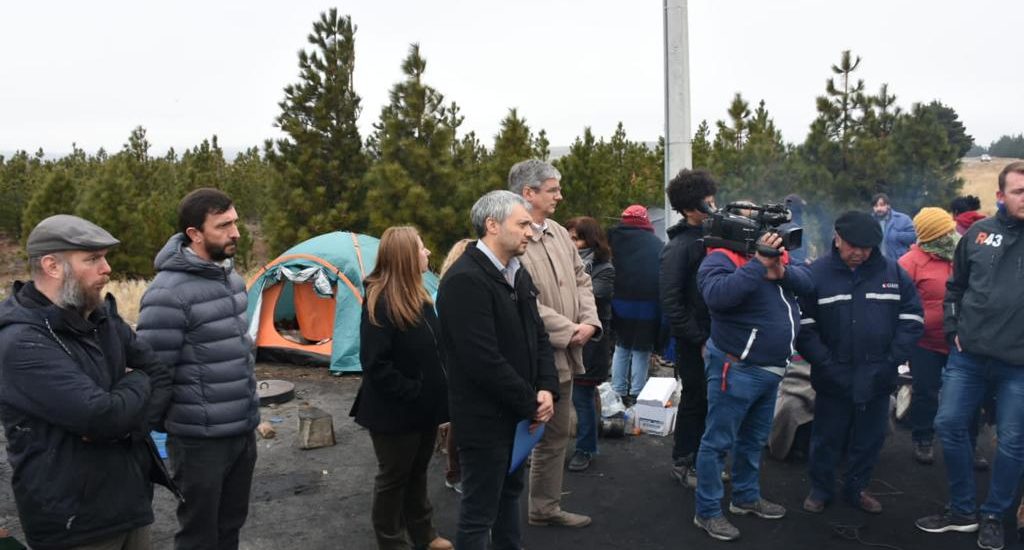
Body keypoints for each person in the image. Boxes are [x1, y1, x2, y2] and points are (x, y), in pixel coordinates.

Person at [0, 215, 176, 550]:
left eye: (105, 257)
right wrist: (136, 383)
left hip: (132, 504)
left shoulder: (99, 316)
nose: (107, 268)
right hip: (73, 524)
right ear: (52, 265)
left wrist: (128, 425)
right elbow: (100, 416)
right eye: (93, 259)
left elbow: (159, 373)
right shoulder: (21, 341)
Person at [136, 188, 260, 550]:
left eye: (235, 221)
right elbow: (154, 371)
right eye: (224, 225)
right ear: (195, 234)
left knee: (230, 525)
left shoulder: (231, 280)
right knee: (199, 534)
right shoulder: (167, 293)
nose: (236, 232)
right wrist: (178, 427)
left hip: (242, 429)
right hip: (199, 441)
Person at [436, 190, 559, 550]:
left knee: (509, 498)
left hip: (518, 417)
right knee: (479, 513)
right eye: (522, 224)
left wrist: (547, 388)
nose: (530, 232)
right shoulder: (464, 281)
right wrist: (532, 402)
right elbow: (482, 361)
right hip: (485, 421)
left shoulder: (516, 274)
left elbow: (538, 336)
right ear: (492, 225)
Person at [916, 161, 1024, 550]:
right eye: (1019, 191)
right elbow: (955, 289)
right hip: (969, 356)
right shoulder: (978, 234)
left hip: (1019, 365)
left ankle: (995, 513)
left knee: (1012, 441)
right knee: (948, 425)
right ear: (1000, 196)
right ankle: (962, 509)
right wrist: (951, 328)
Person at [797, 211, 924, 515]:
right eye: (853, 246)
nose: (859, 254)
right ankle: (821, 489)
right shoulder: (816, 274)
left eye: (866, 248)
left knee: (869, 439)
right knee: (827, 437)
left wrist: (891, 359)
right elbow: (804, 325)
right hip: (832, 374)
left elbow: (913, 318)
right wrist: (825, 362)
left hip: (879, 374)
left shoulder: (893, 273)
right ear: (837, 238)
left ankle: (857, 488)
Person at [693, 231, 813, 541]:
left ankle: (745, 497)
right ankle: (706, 512)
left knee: (753, 439)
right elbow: (717, 296)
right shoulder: (720, 256)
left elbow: (809, 283)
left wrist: (781, 270)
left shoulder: (779, 258)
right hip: (737, 367)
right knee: (718, 441)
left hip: (771, 369)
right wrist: (758, 264)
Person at [508, 159, 601, 528]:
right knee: (517, 438)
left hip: (564, 357)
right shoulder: (514, 237)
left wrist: (590, 322)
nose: (560, 196)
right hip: (531, 360)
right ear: (528, 193)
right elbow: (521, 300)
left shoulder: (561, 234)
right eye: (552, 190)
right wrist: (568, 329)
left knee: (557, 433)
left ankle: (543, 508)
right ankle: (496, 519)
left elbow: (582, 279)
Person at [349, 226, 452, 550]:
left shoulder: (420, 296)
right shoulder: (379, 300)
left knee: (417, 473)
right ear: (406, 257)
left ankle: (424, 535)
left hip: (424, 409)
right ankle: (392, 542)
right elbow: (375, 364)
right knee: (394, 478)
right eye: (422, 249)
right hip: (393, 413)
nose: (428, 254)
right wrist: (413, 391)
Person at [898, 208, 985, 467]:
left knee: (970, 395)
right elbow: (901, 305)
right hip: (925, 343)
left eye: (951, 230)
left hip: (962, 342)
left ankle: (970, 444)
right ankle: (923, 438)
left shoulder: (962, 255)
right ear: (930, 237)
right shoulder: (908, 263)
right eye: (944, 233)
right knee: (926, 391)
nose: (951, 236)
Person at [660, 169, 717, 488]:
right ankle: (684, 461)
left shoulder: (711, 236)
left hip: (714, 336)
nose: (712, 206)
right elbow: (671, 303)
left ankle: (703, 459)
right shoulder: (679, 247)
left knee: (711, 401)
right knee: (696, 399)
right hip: (694, 341)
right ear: (689, 208)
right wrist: (699, 339)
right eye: (706, 202)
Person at [565, 217, 615, 472]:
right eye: (569, 237)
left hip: (591, 345)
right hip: (564, 339)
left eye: (577, 238)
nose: (571, 243)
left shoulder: (603, 268)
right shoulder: (562, 265)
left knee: (582, 398)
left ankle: (585, 449)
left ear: (590, 240)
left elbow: (592, 297)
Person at [607, 205, 663, 404]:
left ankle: (617, 390)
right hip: (648, 302)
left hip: (619, 301)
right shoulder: (656, 243)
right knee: (642, 349)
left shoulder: (611, 239)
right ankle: (638, 393)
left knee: (622, 346)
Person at [435, 238, 471, 495]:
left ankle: (457, 470)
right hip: (456, 364)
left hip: (454, 362)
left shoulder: (445, 287)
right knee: (459, 421)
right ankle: (454, 472)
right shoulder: (451, 291)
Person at [871, 193, 916, 261]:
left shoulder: (903, 219)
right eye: (876, 206)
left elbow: (914, 236)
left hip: (898, 263)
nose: (878, 208)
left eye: (882, 205)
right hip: (876, 264)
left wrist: (897, 235)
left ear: (888, 206)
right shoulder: (869, 221)